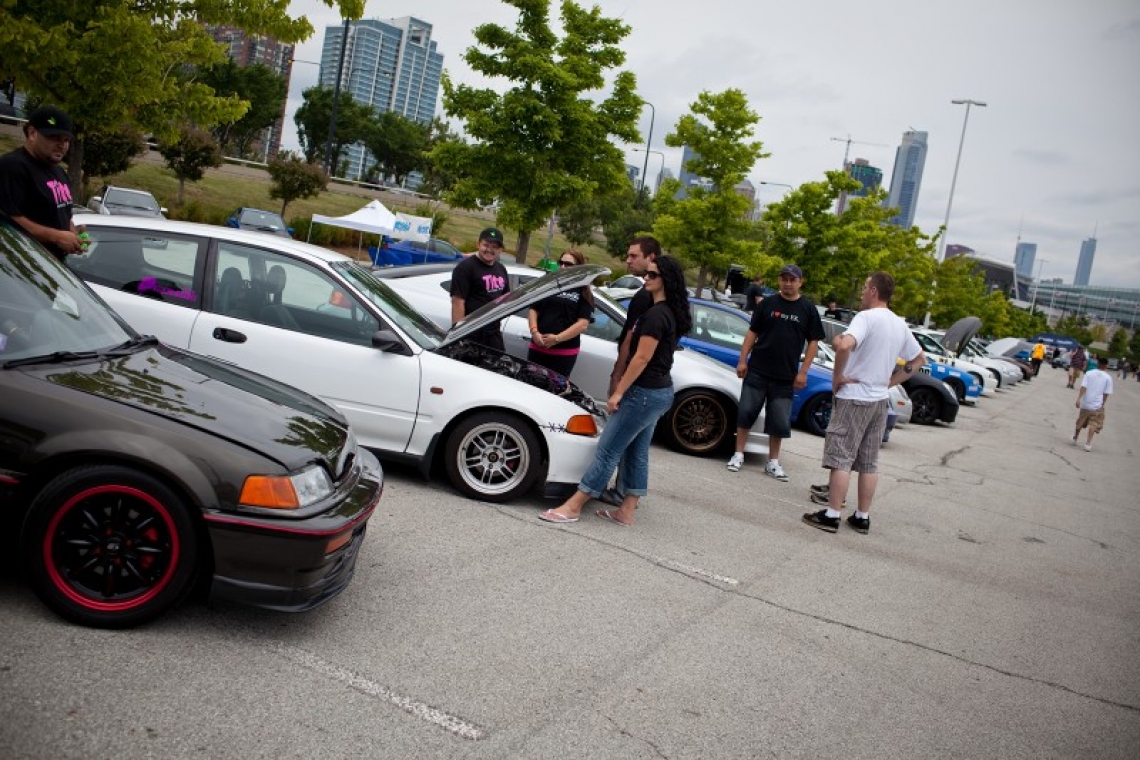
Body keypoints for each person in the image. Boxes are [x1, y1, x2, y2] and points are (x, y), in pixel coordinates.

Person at [538, 255, 691, 527]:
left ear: (666, 280)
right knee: (637, 452)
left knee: (608, 450)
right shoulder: (669, 312)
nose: (646, 278)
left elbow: (641, 359)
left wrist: (619, 391)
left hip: (644, 394)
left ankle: (573, 506)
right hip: (659, 393)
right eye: (647, 273)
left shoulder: (657, 315)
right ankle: (627, 511)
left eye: (653, 275)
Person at [803, 272, 925, 534]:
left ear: (873, 291)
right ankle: (862, 516)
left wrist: (837, 374)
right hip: (879, 400)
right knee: (869, 462)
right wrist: (890, 383)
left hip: (854, 396)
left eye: (864, 287)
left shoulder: (865, 318)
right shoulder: (899, 324)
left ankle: (832, 514)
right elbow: (918, 361)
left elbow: (845, 345)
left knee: (841, 458)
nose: (861, 292)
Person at [726, 264, 824, 482]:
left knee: (779, 421)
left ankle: (773, 462)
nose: (788, 283)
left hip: (786, 376)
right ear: (779, 281)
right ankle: (738, 454)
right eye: (784, 279)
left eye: (792, 280)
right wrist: (743, 360)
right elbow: (752, 333)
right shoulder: (767, 304)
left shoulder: (807, 309)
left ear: (800, 282)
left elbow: (813, 342)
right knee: (746, 413)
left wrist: (803, 372)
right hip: (758, 370)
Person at [596, 235, 662, 507]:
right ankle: (626, 495)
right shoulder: (663, 299)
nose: (628, 260)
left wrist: (618, 378)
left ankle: (589, 490)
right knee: (638, 446)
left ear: (652, 258)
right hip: (652, 384)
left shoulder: (648, 299)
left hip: (638, 383)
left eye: (634, 256)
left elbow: (631, 344)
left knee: (612, 445)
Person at [0, 105, 84, 260]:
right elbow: (9, 222)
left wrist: (72, 234)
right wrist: (57, 237)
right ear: (32, 133)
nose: (62, 145)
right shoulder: (12, 167)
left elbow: (63, 214)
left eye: (66, 140)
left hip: (51, 267)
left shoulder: (59, 172)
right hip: (22, 266)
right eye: (55, 138)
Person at [526, 249, 594, 376]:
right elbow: (533, 309)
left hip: (563, 353)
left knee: (555, 391)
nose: (562, 266)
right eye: (560, 263)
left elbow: (583, 324)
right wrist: (534, 331)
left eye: (568, 264)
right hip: (538, 347)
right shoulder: (548, 284)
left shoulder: (584, 291)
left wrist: (557, 339)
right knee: (530, 385)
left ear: (578, 268)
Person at [449, 227, 510, 350]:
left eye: (494, 247)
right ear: (478, 244)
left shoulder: (501, 269)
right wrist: (459, 336)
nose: (489, 250)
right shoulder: (465, 268)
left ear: (500, 250)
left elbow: (505, 297)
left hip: (493, 333)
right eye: (486, 245)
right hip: (472, 333)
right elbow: (457, 302)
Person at [1073, 358, 1112, 452]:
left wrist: (1078, 399)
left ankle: (1075, 438)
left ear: (1098, 364)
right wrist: (1102, 404)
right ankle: (1088, 444)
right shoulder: (1108, 377)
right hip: (1097, 405)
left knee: (1080, 422)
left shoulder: (1089, 373)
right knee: (1093, 424)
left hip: (1086, 403)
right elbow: (1106, 393)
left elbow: (1083, 387)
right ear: (1106, 365)